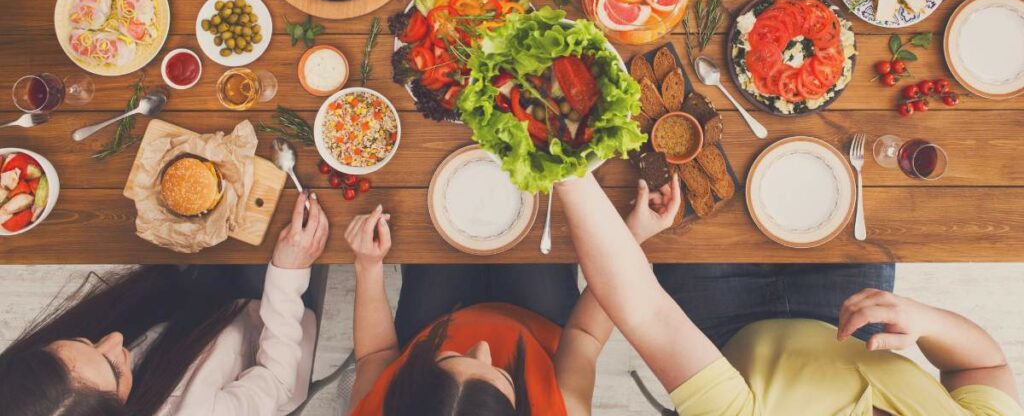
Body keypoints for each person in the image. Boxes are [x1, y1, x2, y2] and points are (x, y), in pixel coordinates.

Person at [558, 172, 1023, 416]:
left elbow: (644, 310)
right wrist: (925, 321)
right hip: (847, 313)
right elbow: (985, 366)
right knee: (832, 157)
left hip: (723, 322)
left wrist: (569, 172)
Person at [0, 193, 330, 416]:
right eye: (114, 369)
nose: (114, 337)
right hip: (266, 319)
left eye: (83, 341)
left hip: (191, 299)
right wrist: (289, 271)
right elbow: (277, 381)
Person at [342, 195, 674, 416]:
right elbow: (585, 334)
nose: (484, 347)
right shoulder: (561, 410)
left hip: (435, 324)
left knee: (442, 211)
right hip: (537, 323)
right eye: (503, 375)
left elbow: (375, 355)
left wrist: (368, 266)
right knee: (534, 205)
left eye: (455, 357)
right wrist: (630, 238)